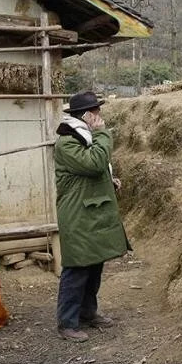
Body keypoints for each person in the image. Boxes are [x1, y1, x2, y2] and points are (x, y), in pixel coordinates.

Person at [54, 91, 129, 343]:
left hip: (90, 212)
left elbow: (96, 171)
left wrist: (110, 181)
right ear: (85, 116)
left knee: (94, 265)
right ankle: (67, 322)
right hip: (77, 215)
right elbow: (95, 162)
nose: (99, 116)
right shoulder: (67, 142)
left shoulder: (81, 137)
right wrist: (101, 134)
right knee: (76, 269)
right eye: (95, 112)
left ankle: (87, 312)